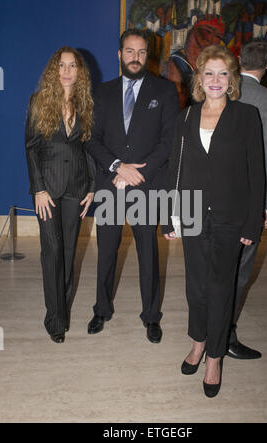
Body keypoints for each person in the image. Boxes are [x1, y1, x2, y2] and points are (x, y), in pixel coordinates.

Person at [162, 45, 265, 397]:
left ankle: (214, 358)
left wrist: (252, 225)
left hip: (230, 218)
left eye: (223, 73)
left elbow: (257, 174)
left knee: (221, 289)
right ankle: (198, 341)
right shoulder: (186, 118)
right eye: (209, 73)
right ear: (199, 79)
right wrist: (168, 217)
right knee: (196, 287)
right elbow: (175, 169)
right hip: (191, 213)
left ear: (232, 78)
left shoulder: (247, 116)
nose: (216, 80)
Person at [86, 29, 179, 343]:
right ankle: (101, 309)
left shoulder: (165, 91)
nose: (135, 57)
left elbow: (169, 141)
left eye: (141, 52)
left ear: (147, 56)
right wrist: (117, 167)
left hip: (146, 186)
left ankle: (151, 316)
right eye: (129, 51)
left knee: (148, 255)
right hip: (112, 184)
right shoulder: (102, 92)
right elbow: (92, 140)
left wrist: (141, 171)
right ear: (119, 54)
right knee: (106, 253)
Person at [25, 47, 96, 343]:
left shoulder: (85, 104)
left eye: (72, 65)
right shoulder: (39, 101)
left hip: (76, 188)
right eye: (62, 65)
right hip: (48, 190)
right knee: (52, 253)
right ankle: (54, 318)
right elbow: (31, 147)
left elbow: (88, 148)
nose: (67, 70)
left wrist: (91, 187)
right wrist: (38, 188)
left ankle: (61, 310)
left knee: (67, 254)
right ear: (55, 70)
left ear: (79, 72)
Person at [227, 38, 267, 360]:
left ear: (238, 59)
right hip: (249, 200)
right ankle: (226, 334)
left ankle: (205, 329)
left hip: (215, 198)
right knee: (240, 270)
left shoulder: (222, 90)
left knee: (217, 266)